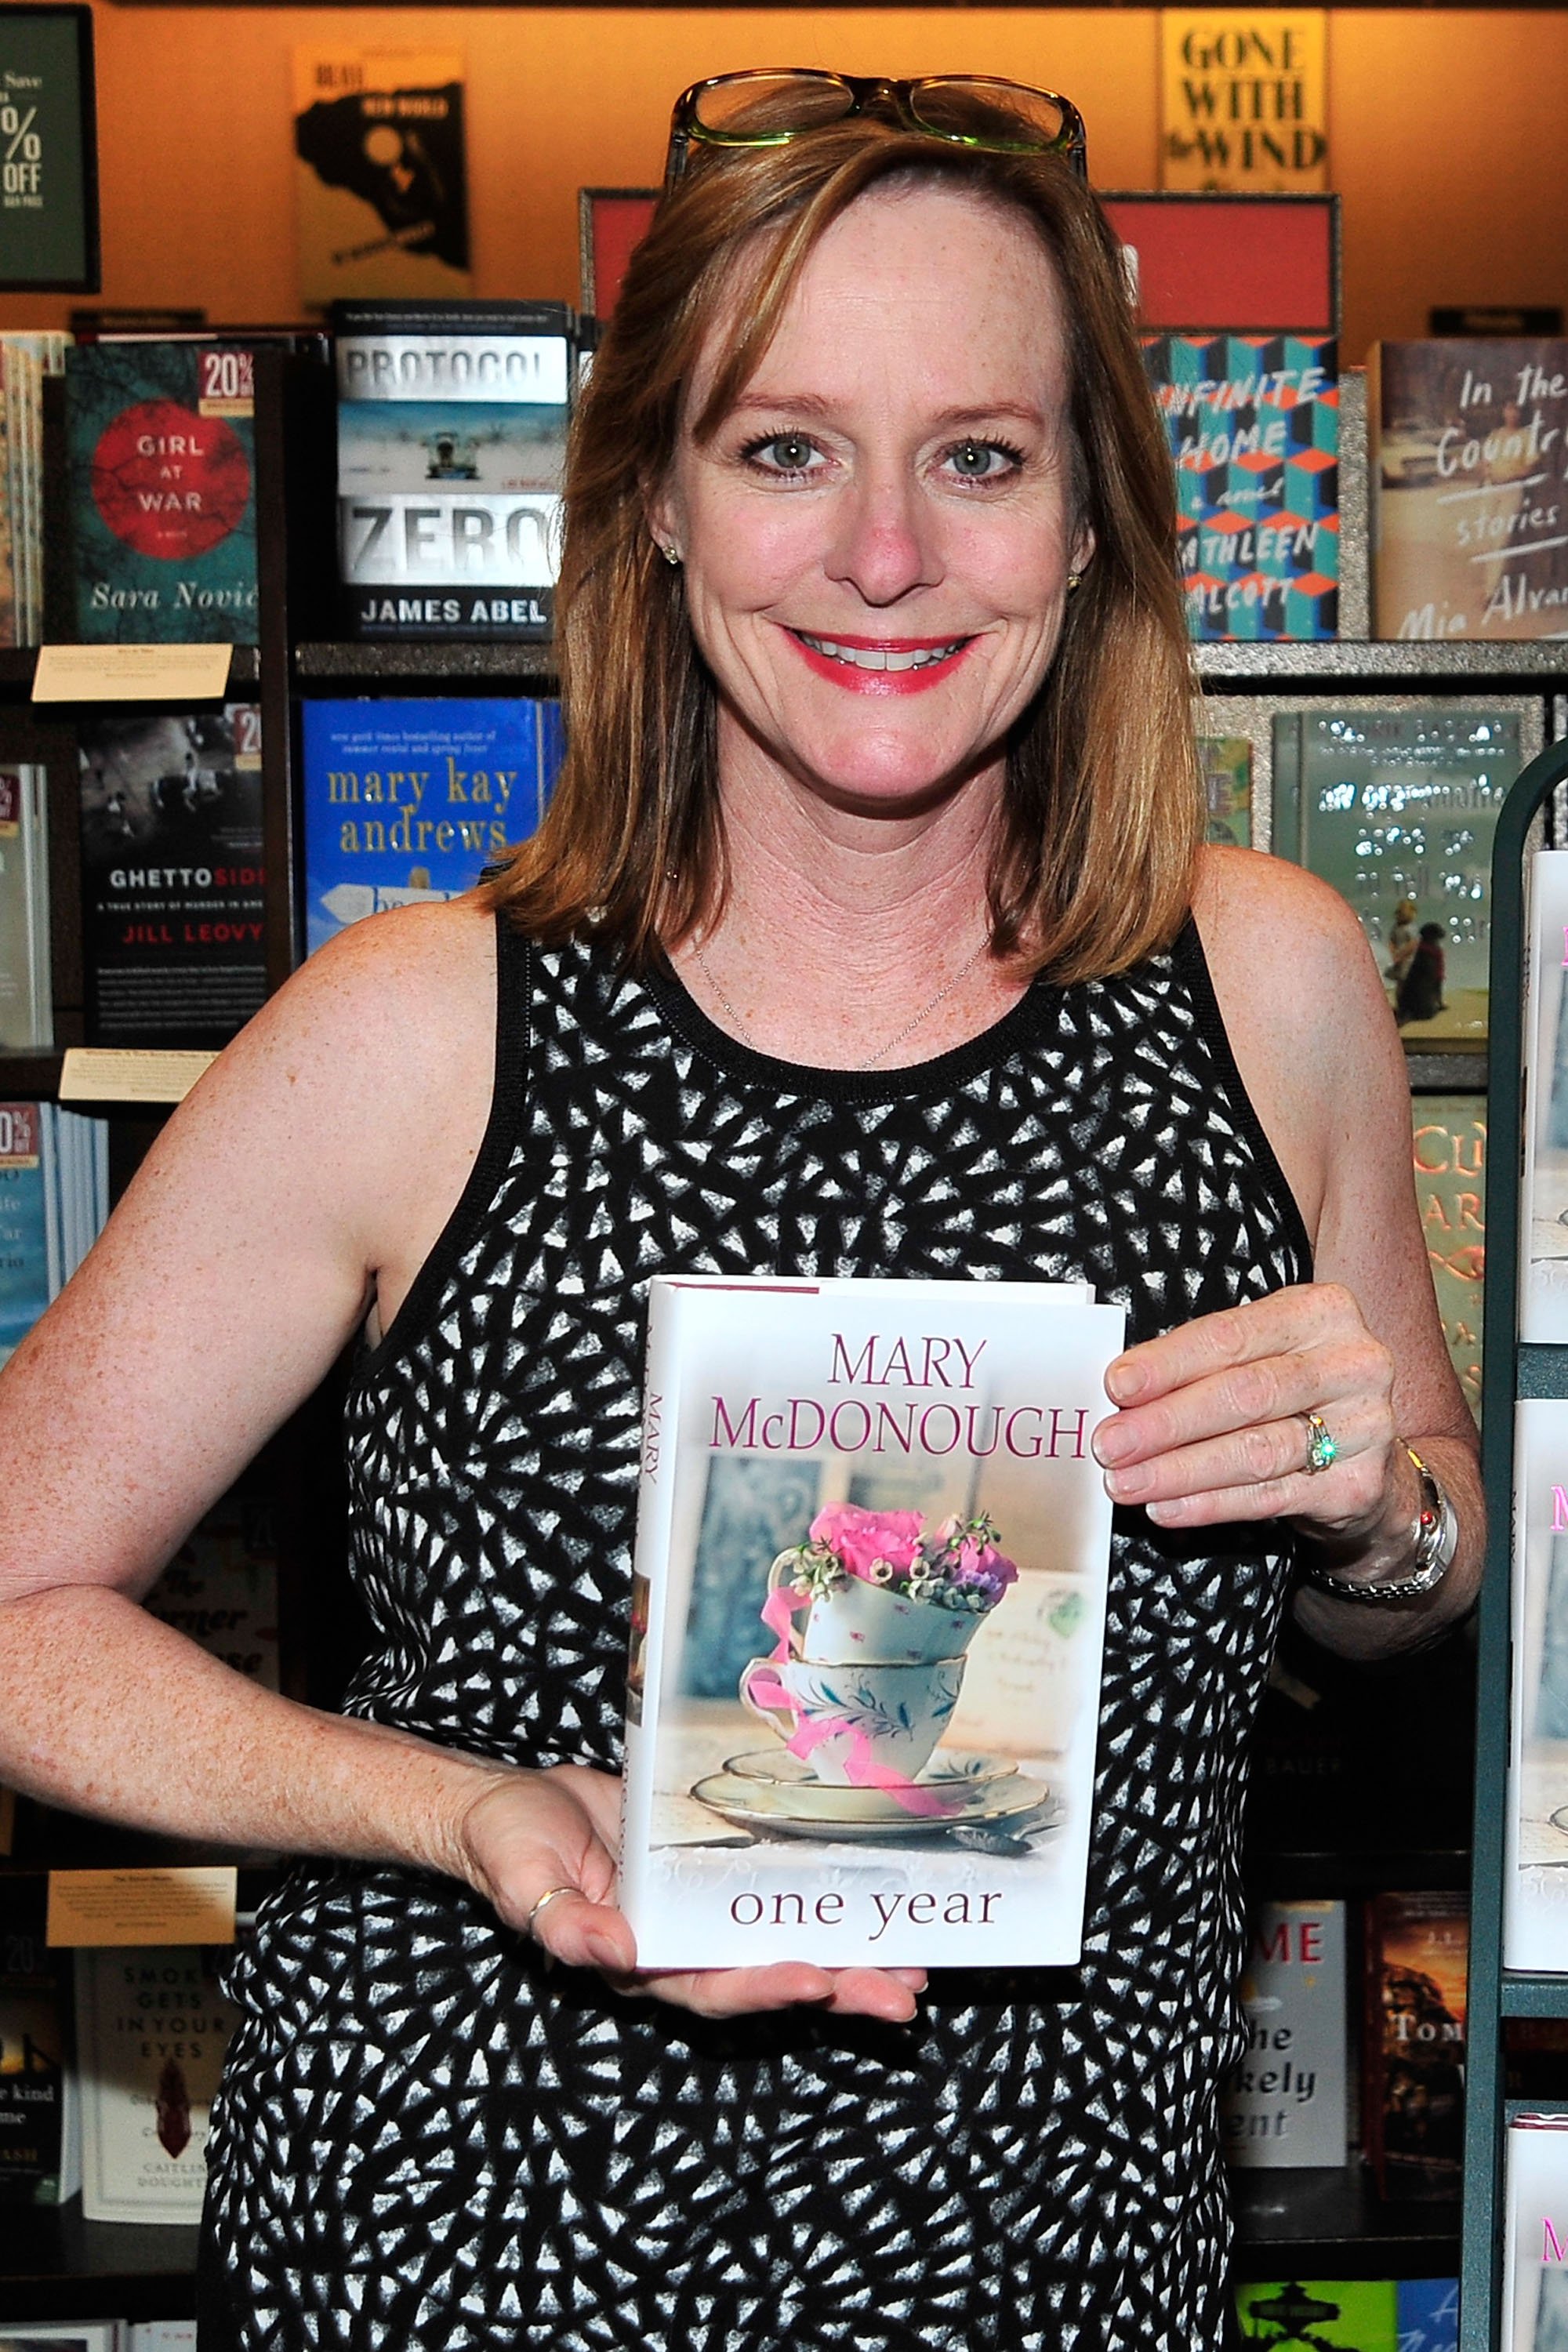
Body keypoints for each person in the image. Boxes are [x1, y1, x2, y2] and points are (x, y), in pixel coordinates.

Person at [0, 71, 1481, 2352]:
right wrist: (456, 1808)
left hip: (1058, 2268)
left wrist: (1373, 1513)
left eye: (978, 457)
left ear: (1092, 520)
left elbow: (1418, 1565)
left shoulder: (1267, 987)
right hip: (475, 2260)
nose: (884, 550)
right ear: (661, 509)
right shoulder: (422, 1029)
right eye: (787, 449)